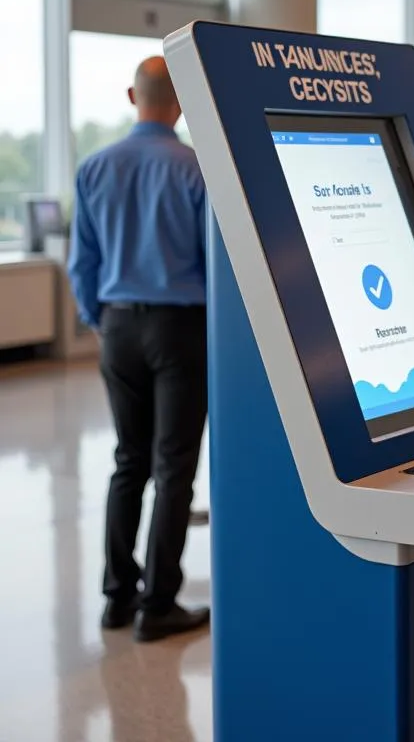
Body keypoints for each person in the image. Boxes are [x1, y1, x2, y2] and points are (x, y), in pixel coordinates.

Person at [69, 56, 210, 643]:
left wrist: (100, 321)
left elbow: (83, 263)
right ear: (181, 103)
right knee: (173, 467)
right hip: (181, 329)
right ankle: (159, 605)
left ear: (133, 96)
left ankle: (116, 598)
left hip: (119, 326)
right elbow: (215, 266)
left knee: (128, 460)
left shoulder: (94, 167)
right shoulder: (197, 171)